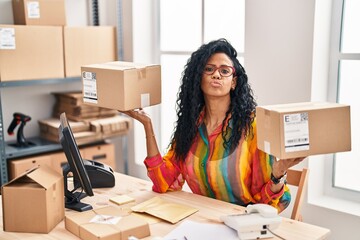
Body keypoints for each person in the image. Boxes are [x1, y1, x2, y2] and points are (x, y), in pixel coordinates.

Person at [122, 38, 304, 212]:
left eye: (225, 71)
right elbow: (162, 181)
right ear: (198, 79)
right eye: (209, 69)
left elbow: (268, 203)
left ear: (233, 82)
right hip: (201, 218)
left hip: (241, 223)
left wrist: (278, 173)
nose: (216, 74)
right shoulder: (190, 126)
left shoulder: (253, 126)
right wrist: (147, 124)